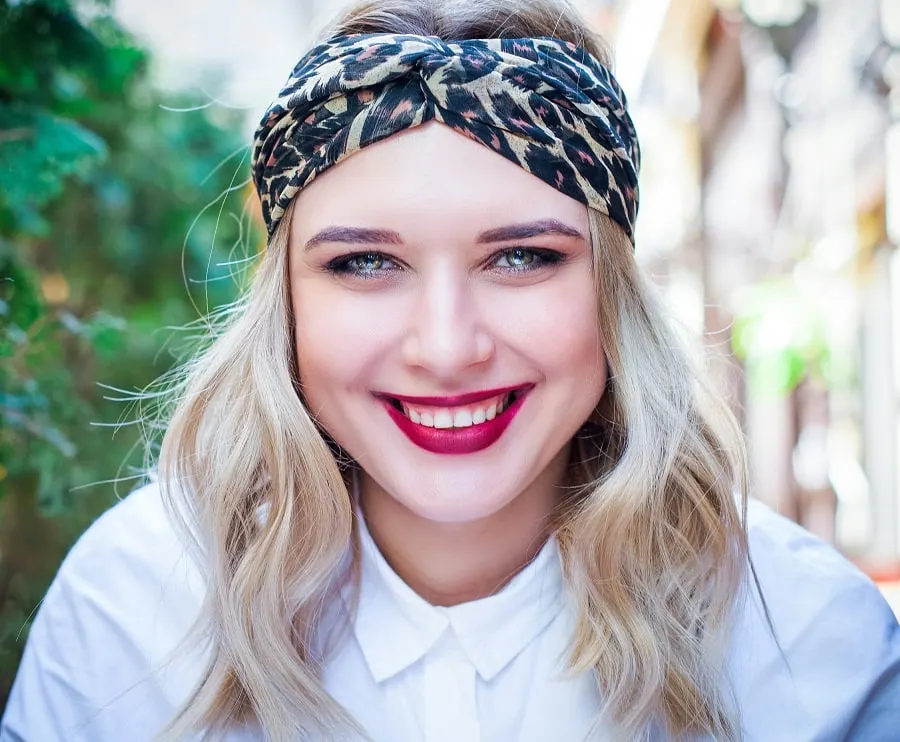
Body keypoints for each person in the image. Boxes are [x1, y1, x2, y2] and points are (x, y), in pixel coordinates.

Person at [2, 0, 899, 740]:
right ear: (288, 307)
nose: (445, 346)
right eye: (363, 263)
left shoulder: (812, 644)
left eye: (520, 258)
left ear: (613, 291)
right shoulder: (132, 614)